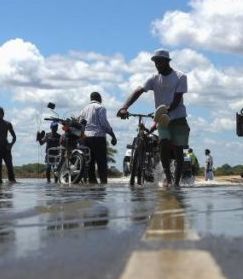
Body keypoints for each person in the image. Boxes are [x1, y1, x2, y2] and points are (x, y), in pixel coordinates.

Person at [118, 48, 189, 187]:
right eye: (156, 63)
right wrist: (124, 107)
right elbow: (139, 90)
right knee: (163, 143)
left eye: (160, 62)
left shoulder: (180, 77)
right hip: (162, 119)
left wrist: (165, 110)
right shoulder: (154, 78)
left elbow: (176, 100)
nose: (157, 65)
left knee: (178, 150)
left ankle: (176, 183)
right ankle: (168, 177)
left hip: (178, 116)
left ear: (167, 61)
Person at [78, 92, 117, 184]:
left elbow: (81, 123)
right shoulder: (100, 108)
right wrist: (112, 134)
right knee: (101, 162)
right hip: (98, 137)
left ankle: (92, 184)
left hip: (86, 138)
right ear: (99, 98)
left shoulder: (84, 109)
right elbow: (103, 123)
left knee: (90, 163)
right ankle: (103, 184)